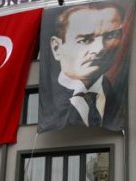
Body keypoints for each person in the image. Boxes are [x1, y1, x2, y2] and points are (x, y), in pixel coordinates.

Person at [41, 1, 126, 131]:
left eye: (110, 36)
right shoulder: (47, 100)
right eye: (85, 40)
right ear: (57, 47)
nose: (100, 48)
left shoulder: (116, 97)